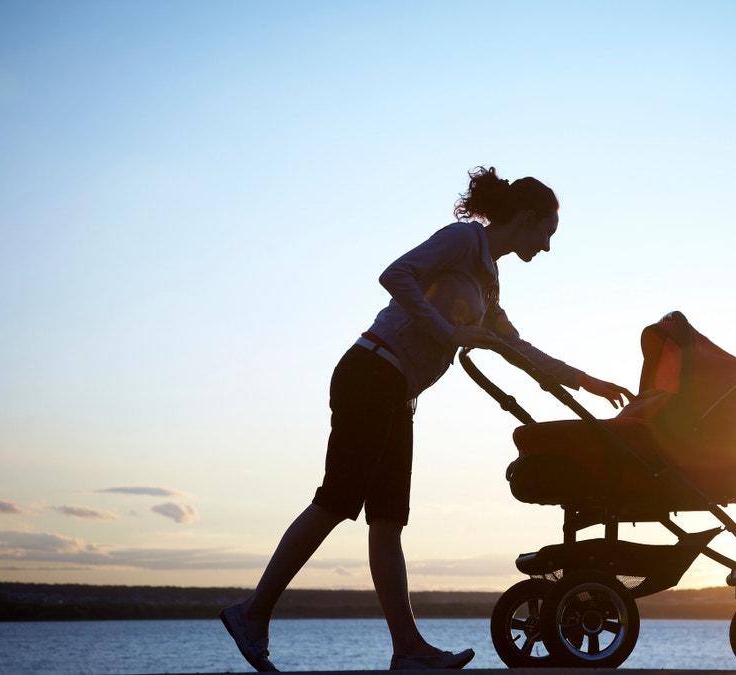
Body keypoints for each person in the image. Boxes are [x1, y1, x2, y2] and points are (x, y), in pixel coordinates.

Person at [220, 166, 634, 671]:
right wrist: (448, 332)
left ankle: (407, 649)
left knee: (388, 520)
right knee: (337, 500)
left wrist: (586, 380)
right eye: (546, 234)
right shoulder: (463, 240)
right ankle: (252, 612)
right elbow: (395, 275)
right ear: (526, 219)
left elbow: (516, 347)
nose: (546, 247)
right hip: (369, 372)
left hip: (397, 392)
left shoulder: (488, 285)